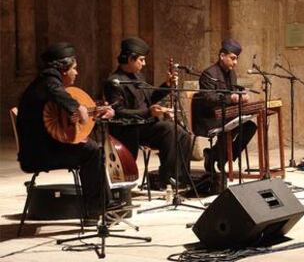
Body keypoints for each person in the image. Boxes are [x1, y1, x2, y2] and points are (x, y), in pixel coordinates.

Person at [16, 42, 115, 217]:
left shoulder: (46, 81)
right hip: (39, 154)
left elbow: (61, 113)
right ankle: (96, 209)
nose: (76, 72)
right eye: (74, 68)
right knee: (91, 151)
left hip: (45, 147)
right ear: (63, 69)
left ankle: (103, 205)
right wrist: (77, 107)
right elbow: (59, 94)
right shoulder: (49, 81)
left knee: (90, 147)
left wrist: (96, 111)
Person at [104, 37, 192, 188]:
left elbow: (150, 97)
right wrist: (148, 113)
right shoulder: (114, 81)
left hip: (148, 124)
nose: (144, 64)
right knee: (170, 130)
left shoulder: (138, 77)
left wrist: (167, 85)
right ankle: (168, 178)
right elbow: (118, 112)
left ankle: (182, 178)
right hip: (131, 128)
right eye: (141, 60)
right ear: (130, 59)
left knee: (184, 134)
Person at [192, 38, 257, 173]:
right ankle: (216, 156)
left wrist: (241, 96)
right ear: (222, 56)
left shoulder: (231, 74)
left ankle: (220, 157)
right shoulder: (209, 74)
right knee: (230, 127)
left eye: (236, 59)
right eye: (233, 58)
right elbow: (208, 98)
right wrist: (231, 98)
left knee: (249, 126)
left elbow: (232, 92)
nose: (235, 62)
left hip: (225, 114)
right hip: (209, 117)